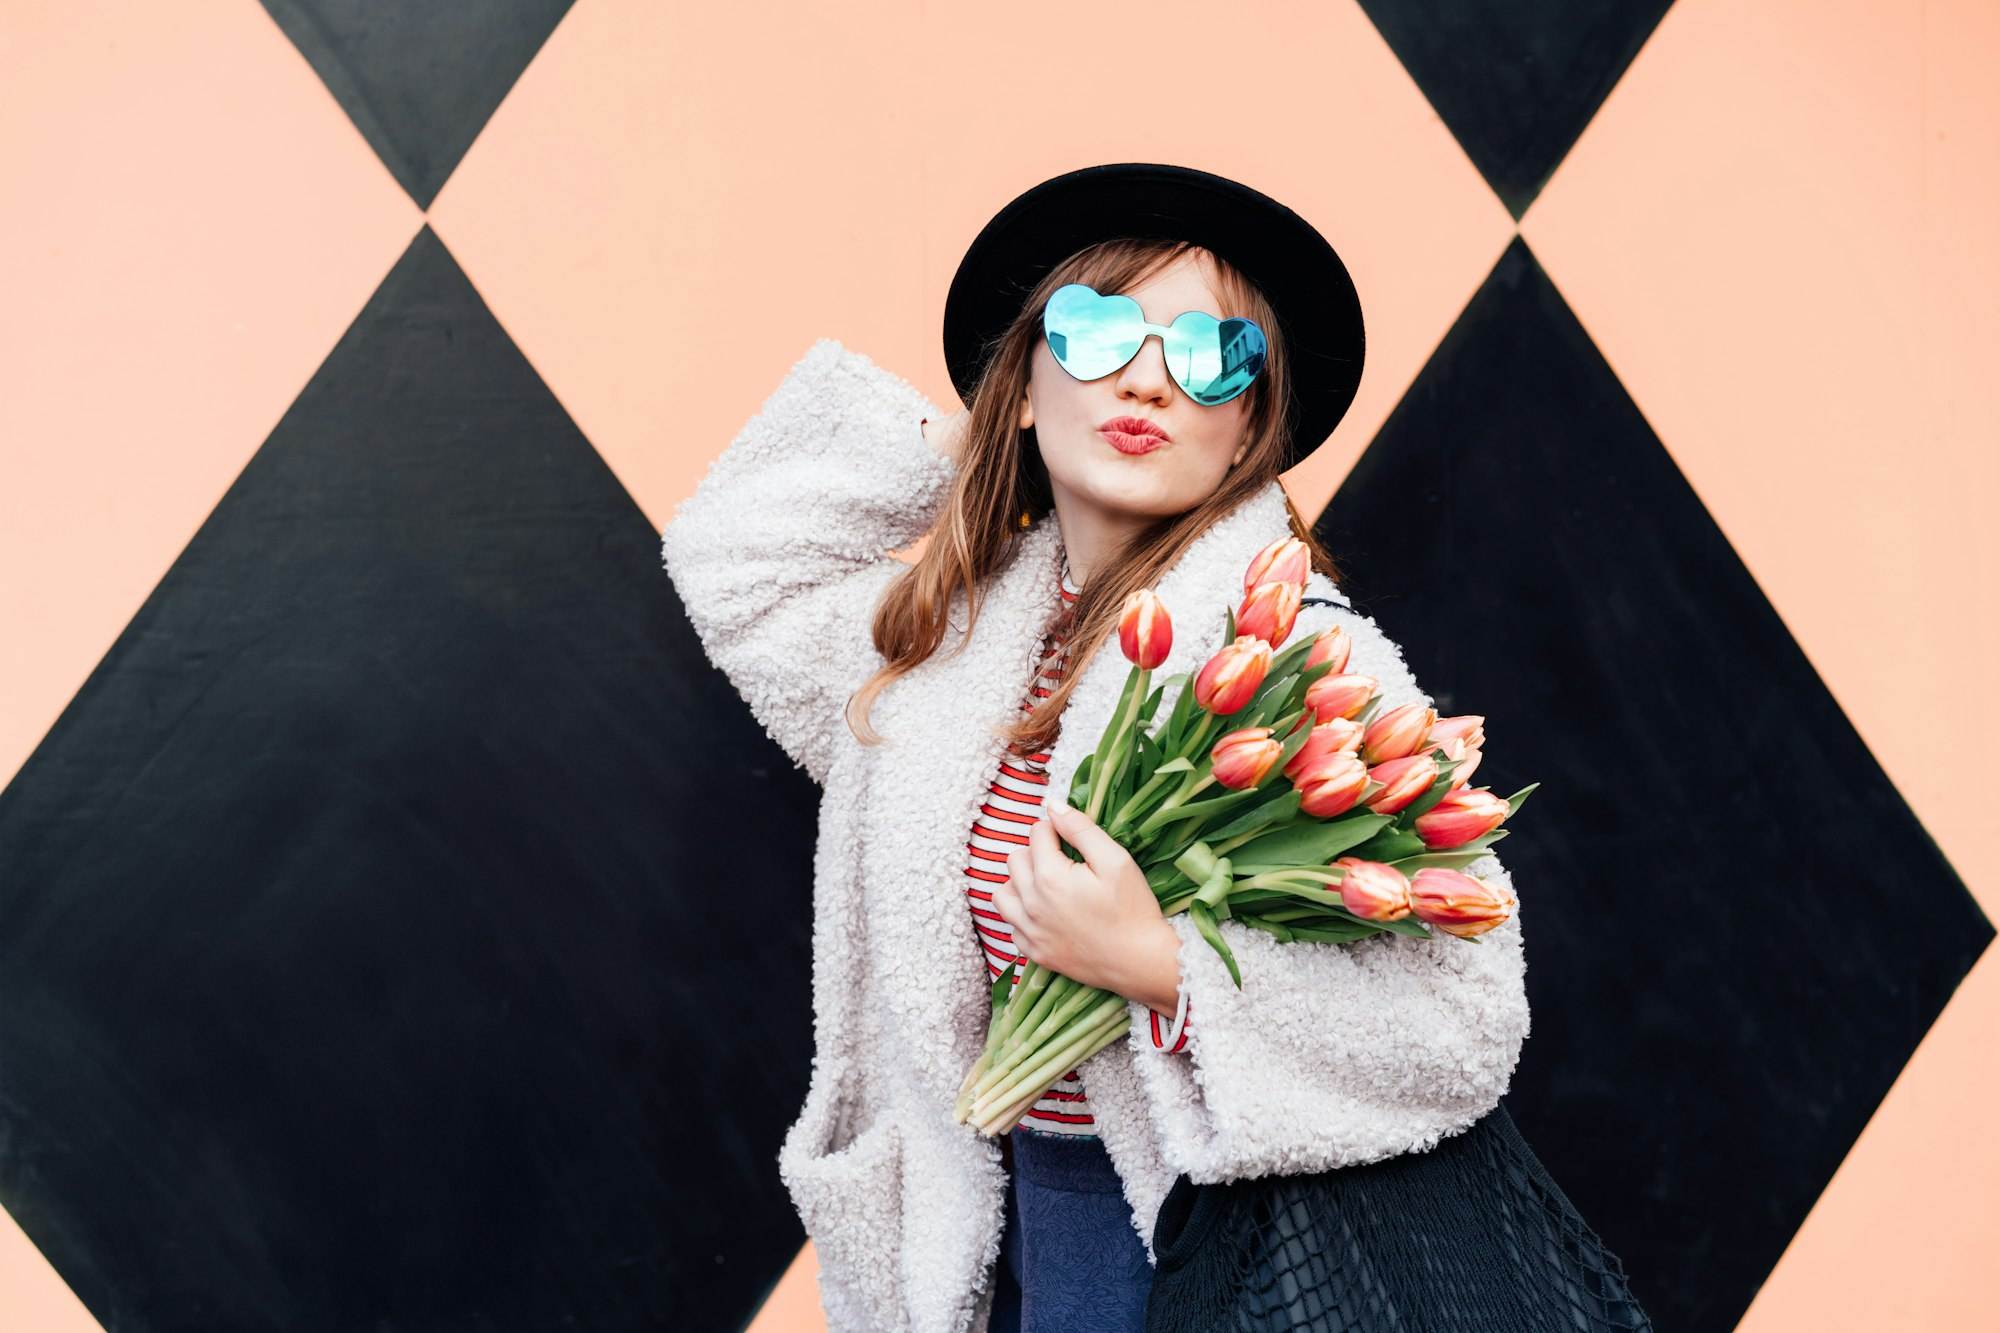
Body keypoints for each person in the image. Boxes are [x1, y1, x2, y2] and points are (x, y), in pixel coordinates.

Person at [660, 163, 1532, 1333]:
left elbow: (1465, 1022)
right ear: (1023, 378)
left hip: (1171, 1244)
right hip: (965, 1235)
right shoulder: (949, 645)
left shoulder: (1297, 658)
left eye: (1207, 356)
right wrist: (979, 427)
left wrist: (1158, 964)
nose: (1142, 378)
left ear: (1244, 434)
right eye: (1092, 331)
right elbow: (735, 562)